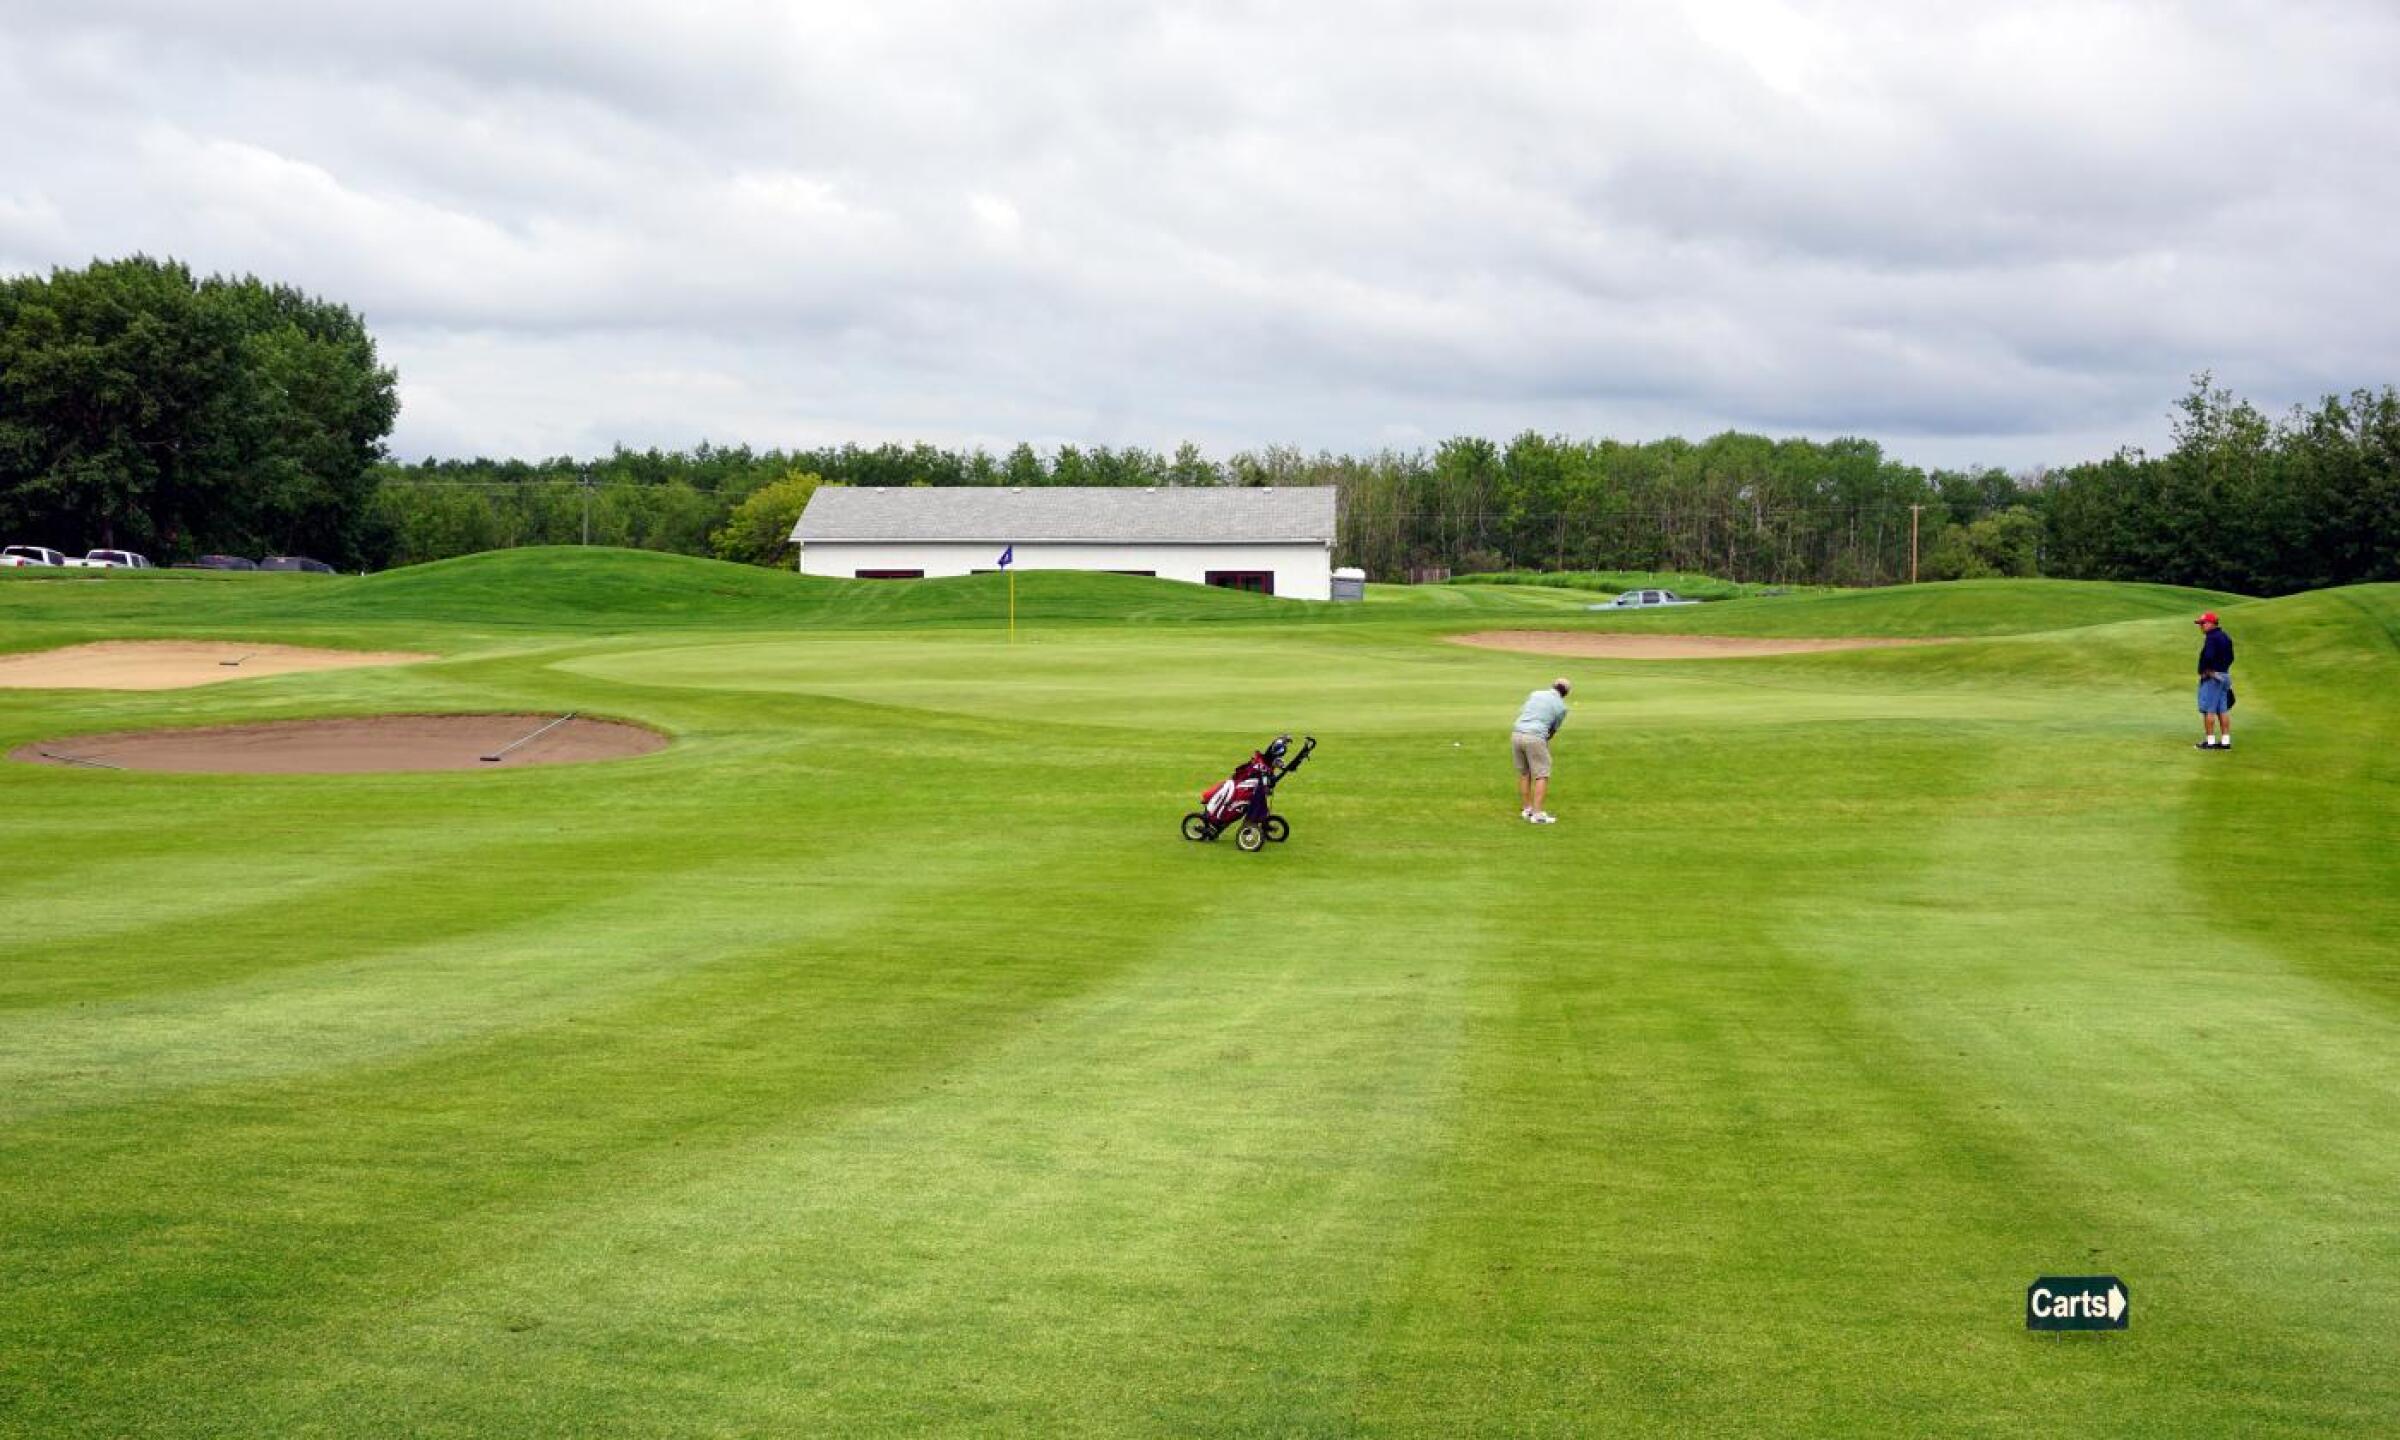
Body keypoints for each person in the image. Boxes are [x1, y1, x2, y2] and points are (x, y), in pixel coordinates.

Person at [1512, 678, 1571, 823]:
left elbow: (1525, 712)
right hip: (1535, 736)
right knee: (1542, 774)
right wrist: (1543, 740)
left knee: (1525, 772)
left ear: (1552, 686)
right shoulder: (1562, 707)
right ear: (1565, 694)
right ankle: (1537, 815)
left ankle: (1527, 809)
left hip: (1516, 733)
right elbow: (1552, 730)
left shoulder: (1536, 694)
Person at [2194, 611, 2234, 750]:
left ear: (2211, 623)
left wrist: (2207, 671)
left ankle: (2210, 742)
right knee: (2222, 710)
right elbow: (2231, 658)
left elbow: (2209, 656)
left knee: (2208, 710)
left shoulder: (2211, 637)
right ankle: (2225, 741)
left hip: (2213, 677)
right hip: (2224, 676)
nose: (2201, 626)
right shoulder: (2225, 637)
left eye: (2203, 623)